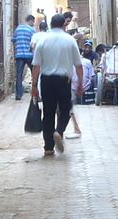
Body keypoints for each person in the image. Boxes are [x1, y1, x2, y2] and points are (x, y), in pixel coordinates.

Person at [31, 14, 84, 156]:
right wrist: (80, 82)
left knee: (48, 113)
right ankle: (59, 131)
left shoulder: (42, 41)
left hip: (47, 80)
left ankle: (48, 147)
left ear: (50, 24)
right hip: (63, 81)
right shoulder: (70, 41)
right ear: (64, 25)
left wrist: (34, 85)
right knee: (65, 111)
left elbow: (36, 65)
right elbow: (78, 65)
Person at [11, 14, 36, 100]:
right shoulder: (31, 30)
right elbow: (33, 43)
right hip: (29, 54)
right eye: (33, 21)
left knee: (19, 74)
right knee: (35, 74)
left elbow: (13, 40)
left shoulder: (17, 29)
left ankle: (18, 95)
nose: (33, 23)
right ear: (31, 20)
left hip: (19, 54)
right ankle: (35, 92)